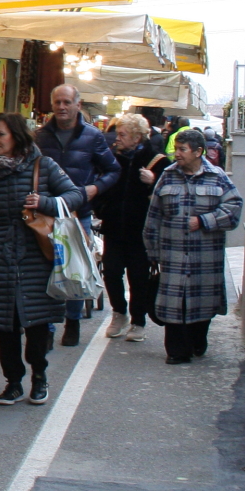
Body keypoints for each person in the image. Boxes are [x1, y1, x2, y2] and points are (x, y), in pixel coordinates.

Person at [0, 112, 83, 405]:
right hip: (0, 258)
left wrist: (46, 202)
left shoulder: (43, 165)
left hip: (38, 258)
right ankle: (13, 382)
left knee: (37, 323)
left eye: (1, 134)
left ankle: (39, 377)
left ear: (16, 136)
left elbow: (75, 195)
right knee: (5, 325)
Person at [144, 127, 244, 364]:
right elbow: (154, 216)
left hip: (205, 258)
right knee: (174, 306)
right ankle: (177, 352)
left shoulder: (217, 176)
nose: (176, 154)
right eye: (176, 149)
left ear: (198, 152)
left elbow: (234, 210)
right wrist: (152, 251)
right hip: (173, 256)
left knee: (201, 305)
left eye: (182, 149)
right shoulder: (167, 176)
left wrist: (203, 221)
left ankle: (197, 340)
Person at [33, 84, 120, 346]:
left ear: (77, 105)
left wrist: (95, 188)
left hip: (77, 212)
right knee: (44, 269)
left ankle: (72, 321)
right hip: (46, 213)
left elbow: (113, 170)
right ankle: (47, 326)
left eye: (66, 102)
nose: (61, 107)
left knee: (75, 269)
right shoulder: (40, 136)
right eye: (57, 102)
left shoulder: (93, 136)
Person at [93, 113, 166, 340]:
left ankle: (138, 322)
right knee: (111, 271)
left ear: (137, 137)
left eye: (122, 135)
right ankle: (119, 313)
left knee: (139, 277)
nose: (117, 138)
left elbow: (169, 194)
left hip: (141, 231)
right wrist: (102, 208)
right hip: (114, 227)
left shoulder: (158, 162)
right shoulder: (112, 159)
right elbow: (100, 184)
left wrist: (153, 182)